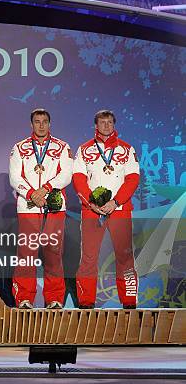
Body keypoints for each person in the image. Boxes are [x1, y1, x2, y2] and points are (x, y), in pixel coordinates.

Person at [73, 110, 140, 309]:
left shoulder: (127, 149)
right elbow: (78, 178)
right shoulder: (84, 149)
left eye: (110, 122)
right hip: (92, 210)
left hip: (119, 209)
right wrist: (91, 203)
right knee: (89, 257)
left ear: (114, 124)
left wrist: (116, 201)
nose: (106, 126)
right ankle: (86, 302)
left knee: (125, 255)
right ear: (96, 125)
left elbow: (133, 178)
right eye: (102, 122)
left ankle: (129, 301)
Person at [8, 109, 73, 309]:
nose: (41, 125)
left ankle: (54, 299)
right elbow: (14, 177)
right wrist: (31, 194)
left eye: (45, 121)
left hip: (54, 206)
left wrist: (44, 190)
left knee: (53, 252)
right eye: (37, 122)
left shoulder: (62, 147)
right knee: (27, 253)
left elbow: (66, 175)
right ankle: (24, 298)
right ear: (31, 125)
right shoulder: (19, 148)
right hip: (28, 207)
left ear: (50, 124)